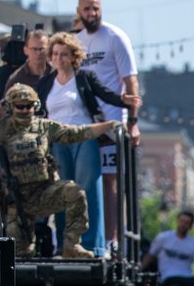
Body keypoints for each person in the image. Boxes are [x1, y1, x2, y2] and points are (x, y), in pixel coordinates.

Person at [0, 84, 121, 259]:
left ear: (35, 106)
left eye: (29, 106)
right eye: (20, 106)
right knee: (20, 251)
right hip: (17, 198)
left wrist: (108, 125)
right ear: (11, 107)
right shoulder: (2, 128)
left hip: (44, 192)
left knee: (74, 193)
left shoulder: (44, 127)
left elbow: (75, 133)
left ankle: (71, 245)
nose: (24, 110)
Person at [36, 32, 139, 257]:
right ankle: (65, 244)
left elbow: (105, 94)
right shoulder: (46, 82)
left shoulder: (84, 77)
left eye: (64, 54)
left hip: (84, 136)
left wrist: (124, 101)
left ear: (74, 56)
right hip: (58, 140)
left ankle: (93, 245)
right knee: (62, 191)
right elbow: (36, 108)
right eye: (55, 54)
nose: (59, 59)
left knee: (87, 188)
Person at [75, 0, 141, 246]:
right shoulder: (77, 41)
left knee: (110, 180)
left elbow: (131, 81)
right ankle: (87, 238)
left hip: (112, 120)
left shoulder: (115, 37)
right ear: (79, 11)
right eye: (87, 9)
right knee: (84, 180)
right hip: (84, 120)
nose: (92, 13)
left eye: (96, 8)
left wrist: (133, 123)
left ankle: (112, 240)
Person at [141, 211, 194, 286]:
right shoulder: (163, 238)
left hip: (186, 278)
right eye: (182, 221)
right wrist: (139, 270)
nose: (183, 224)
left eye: (187, 223)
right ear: (177, 221)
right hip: (168, 278)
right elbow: (150, 256)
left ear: (191, 226)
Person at [4, 30, 53, 94]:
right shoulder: (17, 79)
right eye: (34, 49)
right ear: (25, 50)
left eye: (42, 49)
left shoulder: (56, 74)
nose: (38, 53)